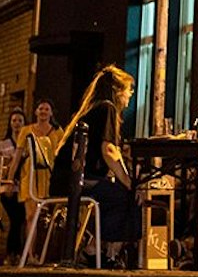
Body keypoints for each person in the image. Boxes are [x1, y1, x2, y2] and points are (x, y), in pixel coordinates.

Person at [54, 65, 138, 263]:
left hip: (64, 177)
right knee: (123, 195)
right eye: (129, 90)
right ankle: (100, 251)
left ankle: (100, 249)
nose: (130, 95)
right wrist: (129, 182)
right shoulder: (107, 107)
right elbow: (108, 150)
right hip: (75, 180)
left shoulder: (94, 108)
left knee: (115, 193)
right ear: (118, 91)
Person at [12, 100, 57, 249]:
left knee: (48, 217)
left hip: (49, 177)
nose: (43, 111)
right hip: (30, 176)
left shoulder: (57, 132)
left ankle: (44, 253)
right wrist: (9, 178)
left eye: (46, 109)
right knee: (30, 216)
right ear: (36, 112)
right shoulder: (26, 130)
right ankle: (30, 254)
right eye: (41, 108)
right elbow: (17, 156)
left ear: (51, 113)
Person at [0, 108, 28, 260]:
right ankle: (12, 254)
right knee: (16, 219)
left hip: (23, 188)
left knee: (20, 221)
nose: (17, 123)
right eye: (14, 120)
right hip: (8, 188)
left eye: (20, 120)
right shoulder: (3, 144)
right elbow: (1, 169)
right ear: (9, 124)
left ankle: (15, 254)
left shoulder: (28, 144)